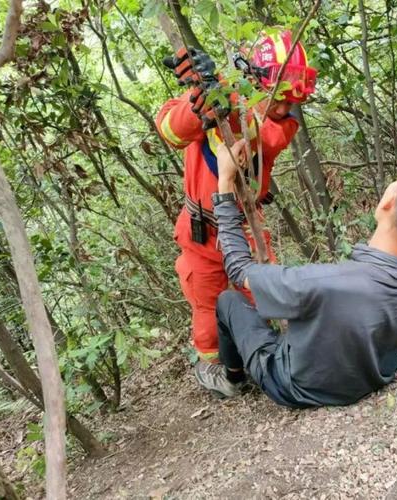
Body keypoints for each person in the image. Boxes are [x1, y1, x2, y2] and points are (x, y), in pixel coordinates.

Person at [201, 141, 397, 407]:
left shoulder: (323, 282)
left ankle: (231, 380)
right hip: (365, 383)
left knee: (229, 301)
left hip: (292, 387)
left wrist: (225, 182)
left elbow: (238, 268)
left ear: (390, 200)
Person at [155, 31, 317, 380]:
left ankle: (261, 356)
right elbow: (170, 129)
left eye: (291, 101)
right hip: (202, 233)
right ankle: (217, 371)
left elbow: (262, 136)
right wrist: (199, 105)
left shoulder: (275, 122)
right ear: (253, 80)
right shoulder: (217, 94)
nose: (286, 108)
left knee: (261, 294)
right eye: (280, 98)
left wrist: (222, 101)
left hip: (244, 225)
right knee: (208, 307)